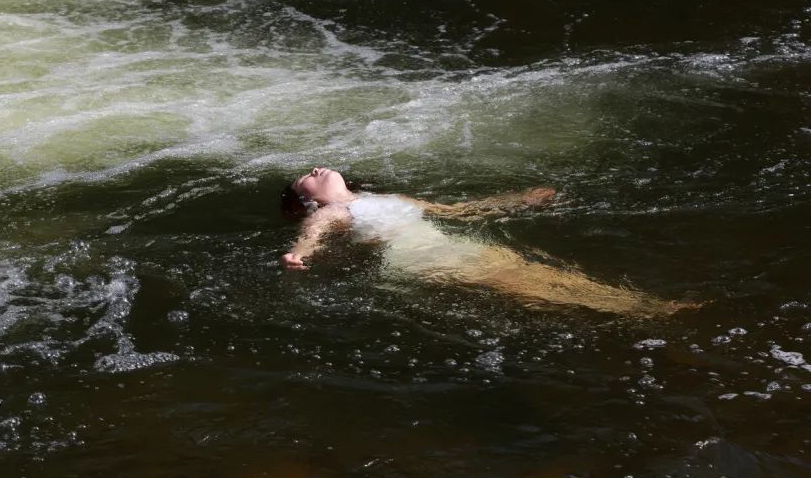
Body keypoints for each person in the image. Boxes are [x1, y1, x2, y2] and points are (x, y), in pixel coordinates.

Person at [280, 167, 692, 315]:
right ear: (306, 200)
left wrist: (518, 202)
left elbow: (458, 211)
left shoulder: (382, 198)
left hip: (437, 245)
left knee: (531, 277)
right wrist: (299, 255)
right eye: (308, 176)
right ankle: (645, 310)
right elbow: (311, 236)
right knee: (525, 281)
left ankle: (639, 308)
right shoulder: (331, 214)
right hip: (416, 253)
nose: (317, 168)